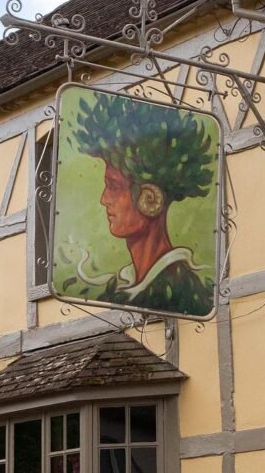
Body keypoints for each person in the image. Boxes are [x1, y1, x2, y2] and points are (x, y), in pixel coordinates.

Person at [72, 91, 216, 318]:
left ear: (149, 197)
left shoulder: (178, 289)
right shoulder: (131, 283)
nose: (103, 199)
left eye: (114, 186)